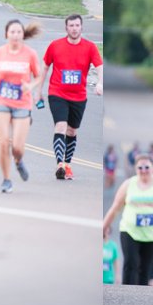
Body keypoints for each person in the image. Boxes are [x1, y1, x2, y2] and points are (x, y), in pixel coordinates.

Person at [39, 13, 103, 181]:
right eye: (71, 26)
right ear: (66, 28)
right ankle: (60, 164)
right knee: (60, 126)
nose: (74, 28)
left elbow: (99, 65)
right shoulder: (55, 46)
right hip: (57, 93)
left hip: (79, 96)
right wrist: (38, 90)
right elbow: (45, 67)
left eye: (77, 25)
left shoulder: (89, 47)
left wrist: (100, 82)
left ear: (81, 27)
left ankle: (67, 164)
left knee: (72, 131)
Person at [0, 19, 42, 193]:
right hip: (0, 99)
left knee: (17, 146)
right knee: (3, 142)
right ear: (6, 35)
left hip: (22, 102)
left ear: (23, 34)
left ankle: (18, 161)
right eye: (12, 32)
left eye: (18, 32)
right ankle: (6, 179)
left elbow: (39, 76)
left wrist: (30, 87)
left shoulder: (30, 54)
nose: (16, 35)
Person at [102, 154, 153, 285]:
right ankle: (127, 296)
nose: (143, 170)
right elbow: (115, 208)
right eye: (140, 167)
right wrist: (104, 226)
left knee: (145, 268)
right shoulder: (128, 184)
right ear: (135, 169)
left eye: (147, 167)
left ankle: (140, 299)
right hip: (129, 230)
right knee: (131, 263)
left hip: (152, 234)